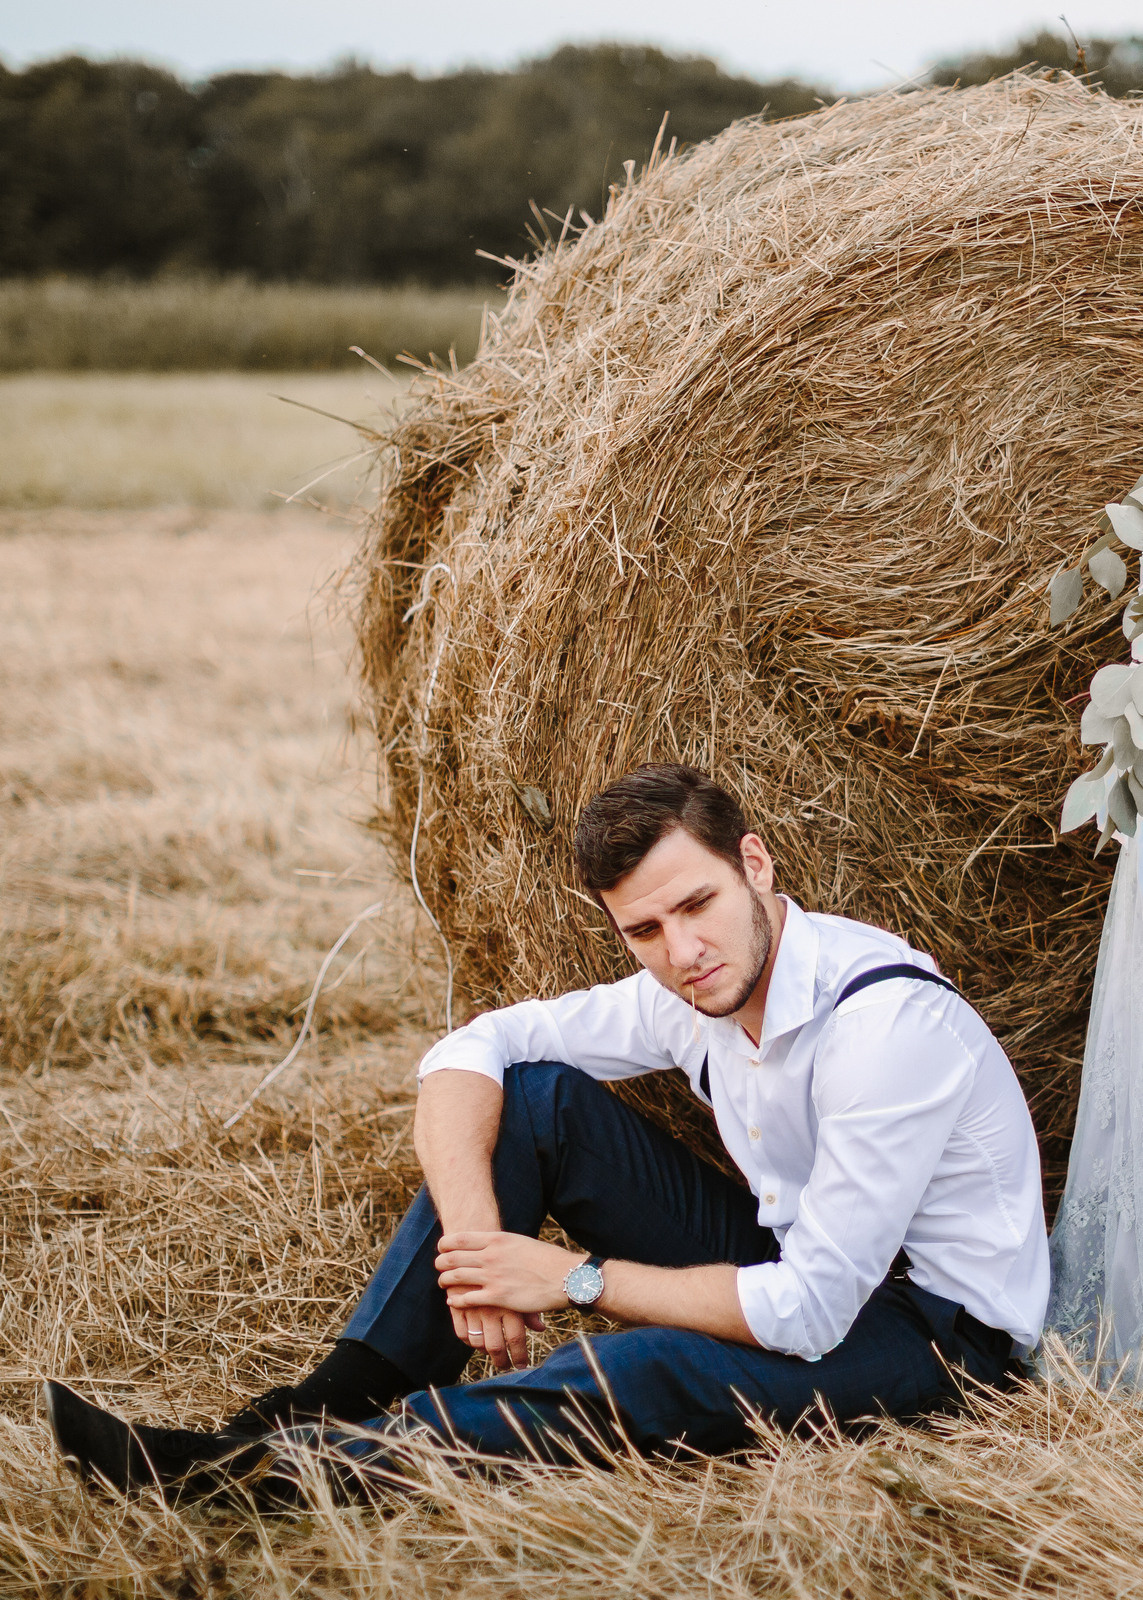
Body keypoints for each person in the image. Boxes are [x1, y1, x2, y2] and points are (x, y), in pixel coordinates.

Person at [45, 763, 1049, 1504]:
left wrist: (569, 1277)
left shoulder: (882, 1029)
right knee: (535, 1099)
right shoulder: (691, 987)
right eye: (644, 931)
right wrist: (479, 1248)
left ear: (755, 863)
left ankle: (286, 1476)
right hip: (804, 1251)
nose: (683, 952)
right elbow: (475, 1049)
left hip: (937, 1331)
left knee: (650, 1367)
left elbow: (814, 1311)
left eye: (697, 905)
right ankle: (321, 1401)